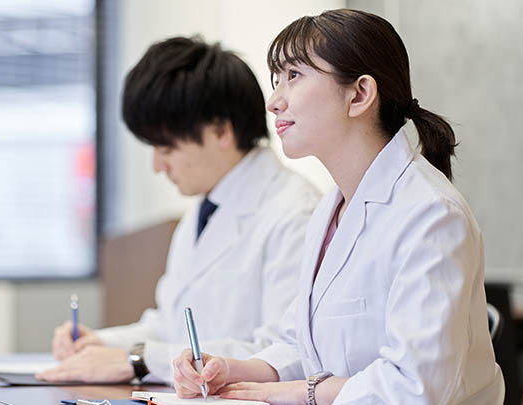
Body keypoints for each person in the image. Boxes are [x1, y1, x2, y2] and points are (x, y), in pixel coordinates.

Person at [172, 9, 504, 404]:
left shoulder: (430, 214)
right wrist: (233, 369)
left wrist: (303, 392)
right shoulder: (332, 208)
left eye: (294, 76)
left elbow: (414, 387)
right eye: (277, 81)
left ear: (360, 94)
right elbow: (305, 343)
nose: (274, 101)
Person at [36, 36, 321, 384]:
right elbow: (169, 325)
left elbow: (281, 354)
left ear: (220, 130)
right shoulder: (202, 210)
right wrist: (99, 344)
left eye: (166, 148)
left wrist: (138, 360)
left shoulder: (296, 214)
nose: (158, 165)